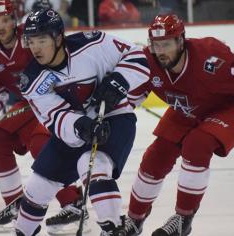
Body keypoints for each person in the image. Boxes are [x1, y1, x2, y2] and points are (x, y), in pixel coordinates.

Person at [122, 14, 234, 236]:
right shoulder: (147, 62)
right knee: (155, 157)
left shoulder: (210, 62)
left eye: (166, 44)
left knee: (197, 144)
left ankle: (183, 218)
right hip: (188, 107)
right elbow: (129, 98)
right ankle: (133, 220)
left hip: (232, 106)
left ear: (181, 41)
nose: (160, 51)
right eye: (155, 44)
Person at [15, 9, 149, 236]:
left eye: (41, 40)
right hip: (74, 133)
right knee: (38, 186)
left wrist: (120, 80)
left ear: (58, 37)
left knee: (92, 164)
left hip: (114, 118)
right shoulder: (32, 80)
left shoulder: (93, 44)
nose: (35, 48)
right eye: (31, 41)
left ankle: (114, 229)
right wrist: (81, 126)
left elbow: (138, 56)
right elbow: (55, 117)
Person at [0, 0, 81, 233]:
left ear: (14, 20)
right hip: (26, 105)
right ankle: (15, 205)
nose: (1, 26)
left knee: (41, 145)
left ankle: (73, 206)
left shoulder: (32, 36)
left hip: (52, 102)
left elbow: (62, 64)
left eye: (5, 20)